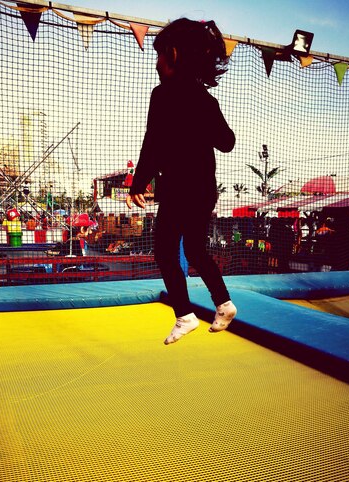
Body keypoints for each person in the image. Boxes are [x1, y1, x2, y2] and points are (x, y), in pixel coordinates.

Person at [126, 18, 237, 344]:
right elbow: (226, 141)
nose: (157, 64)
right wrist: (202, 119)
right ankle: (225, 303)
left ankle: (185, 315)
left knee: (164, 252)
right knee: (196, 251)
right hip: (203, 190)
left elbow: (153, 143)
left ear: (174, 55)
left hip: (180, 188)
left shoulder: (163, 96)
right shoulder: (204, 99)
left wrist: (139, 182)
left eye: (160, 56)